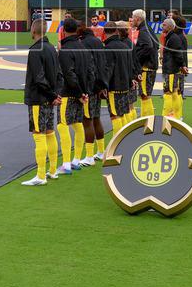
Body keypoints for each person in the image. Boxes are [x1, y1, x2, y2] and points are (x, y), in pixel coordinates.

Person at [22, 19, 61, 187]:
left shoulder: (35, 50)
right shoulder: (52, 48)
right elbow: (59, 75)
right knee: (50, 133)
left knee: (39, 135)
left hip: (39, 98)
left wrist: (52, 95)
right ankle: (52, 171)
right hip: (49, 99)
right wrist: (56, 95)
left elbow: (38, 78)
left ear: (33, 31)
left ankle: (40, 175)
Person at [56, 17, 89, 175]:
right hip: (80, 92)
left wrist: (78, 92)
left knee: (63, 125)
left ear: (63, 30)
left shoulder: (65, 50)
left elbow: (69, 74)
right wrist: (84, 92)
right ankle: (76, 160)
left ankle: (66, 164)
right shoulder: (83, 47)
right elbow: (89, 72)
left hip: (69, 93)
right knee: (77, 124)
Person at [79, 22, 108, 163]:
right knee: (96, 118)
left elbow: (87, 68)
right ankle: (101, 151)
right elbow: (103, 64)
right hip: (98, 85)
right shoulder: (98, 42)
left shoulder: (83, 44)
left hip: (89, 87)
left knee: (87, 120)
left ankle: (89, 156)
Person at [102, 21, 135, 135]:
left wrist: (104, 85)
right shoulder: (125, 46)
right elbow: (130, 66)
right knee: (122, 114)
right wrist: (130, 81)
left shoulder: (108, 48)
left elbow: (108, 70)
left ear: (104, 32)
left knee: (115, 116)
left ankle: (118, 142)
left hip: (114, 87)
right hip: (125, 86)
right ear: (116, 31)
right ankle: (126, 139)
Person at [132, 9, 159, 118]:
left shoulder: (143, 30)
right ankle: (148, 119)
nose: (131, 19)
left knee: (144, 95)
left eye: (133, 17)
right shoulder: (148, 28)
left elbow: (148, 46)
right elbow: (156, 44)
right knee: (146, 94)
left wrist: (137, 59)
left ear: (137, 18)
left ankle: (147, 120)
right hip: (151, 65)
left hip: (146, 67)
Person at [161, 18, 188, 119]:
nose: (162, 26)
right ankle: (177, 116)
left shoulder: (173, 38)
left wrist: (182, 65)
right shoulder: (171, 37)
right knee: (175, 93)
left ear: (169, 27)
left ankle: (166, 117)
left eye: (164, 25)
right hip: (171, 69)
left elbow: (178, 54)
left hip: (171, 70)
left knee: (168, 93)